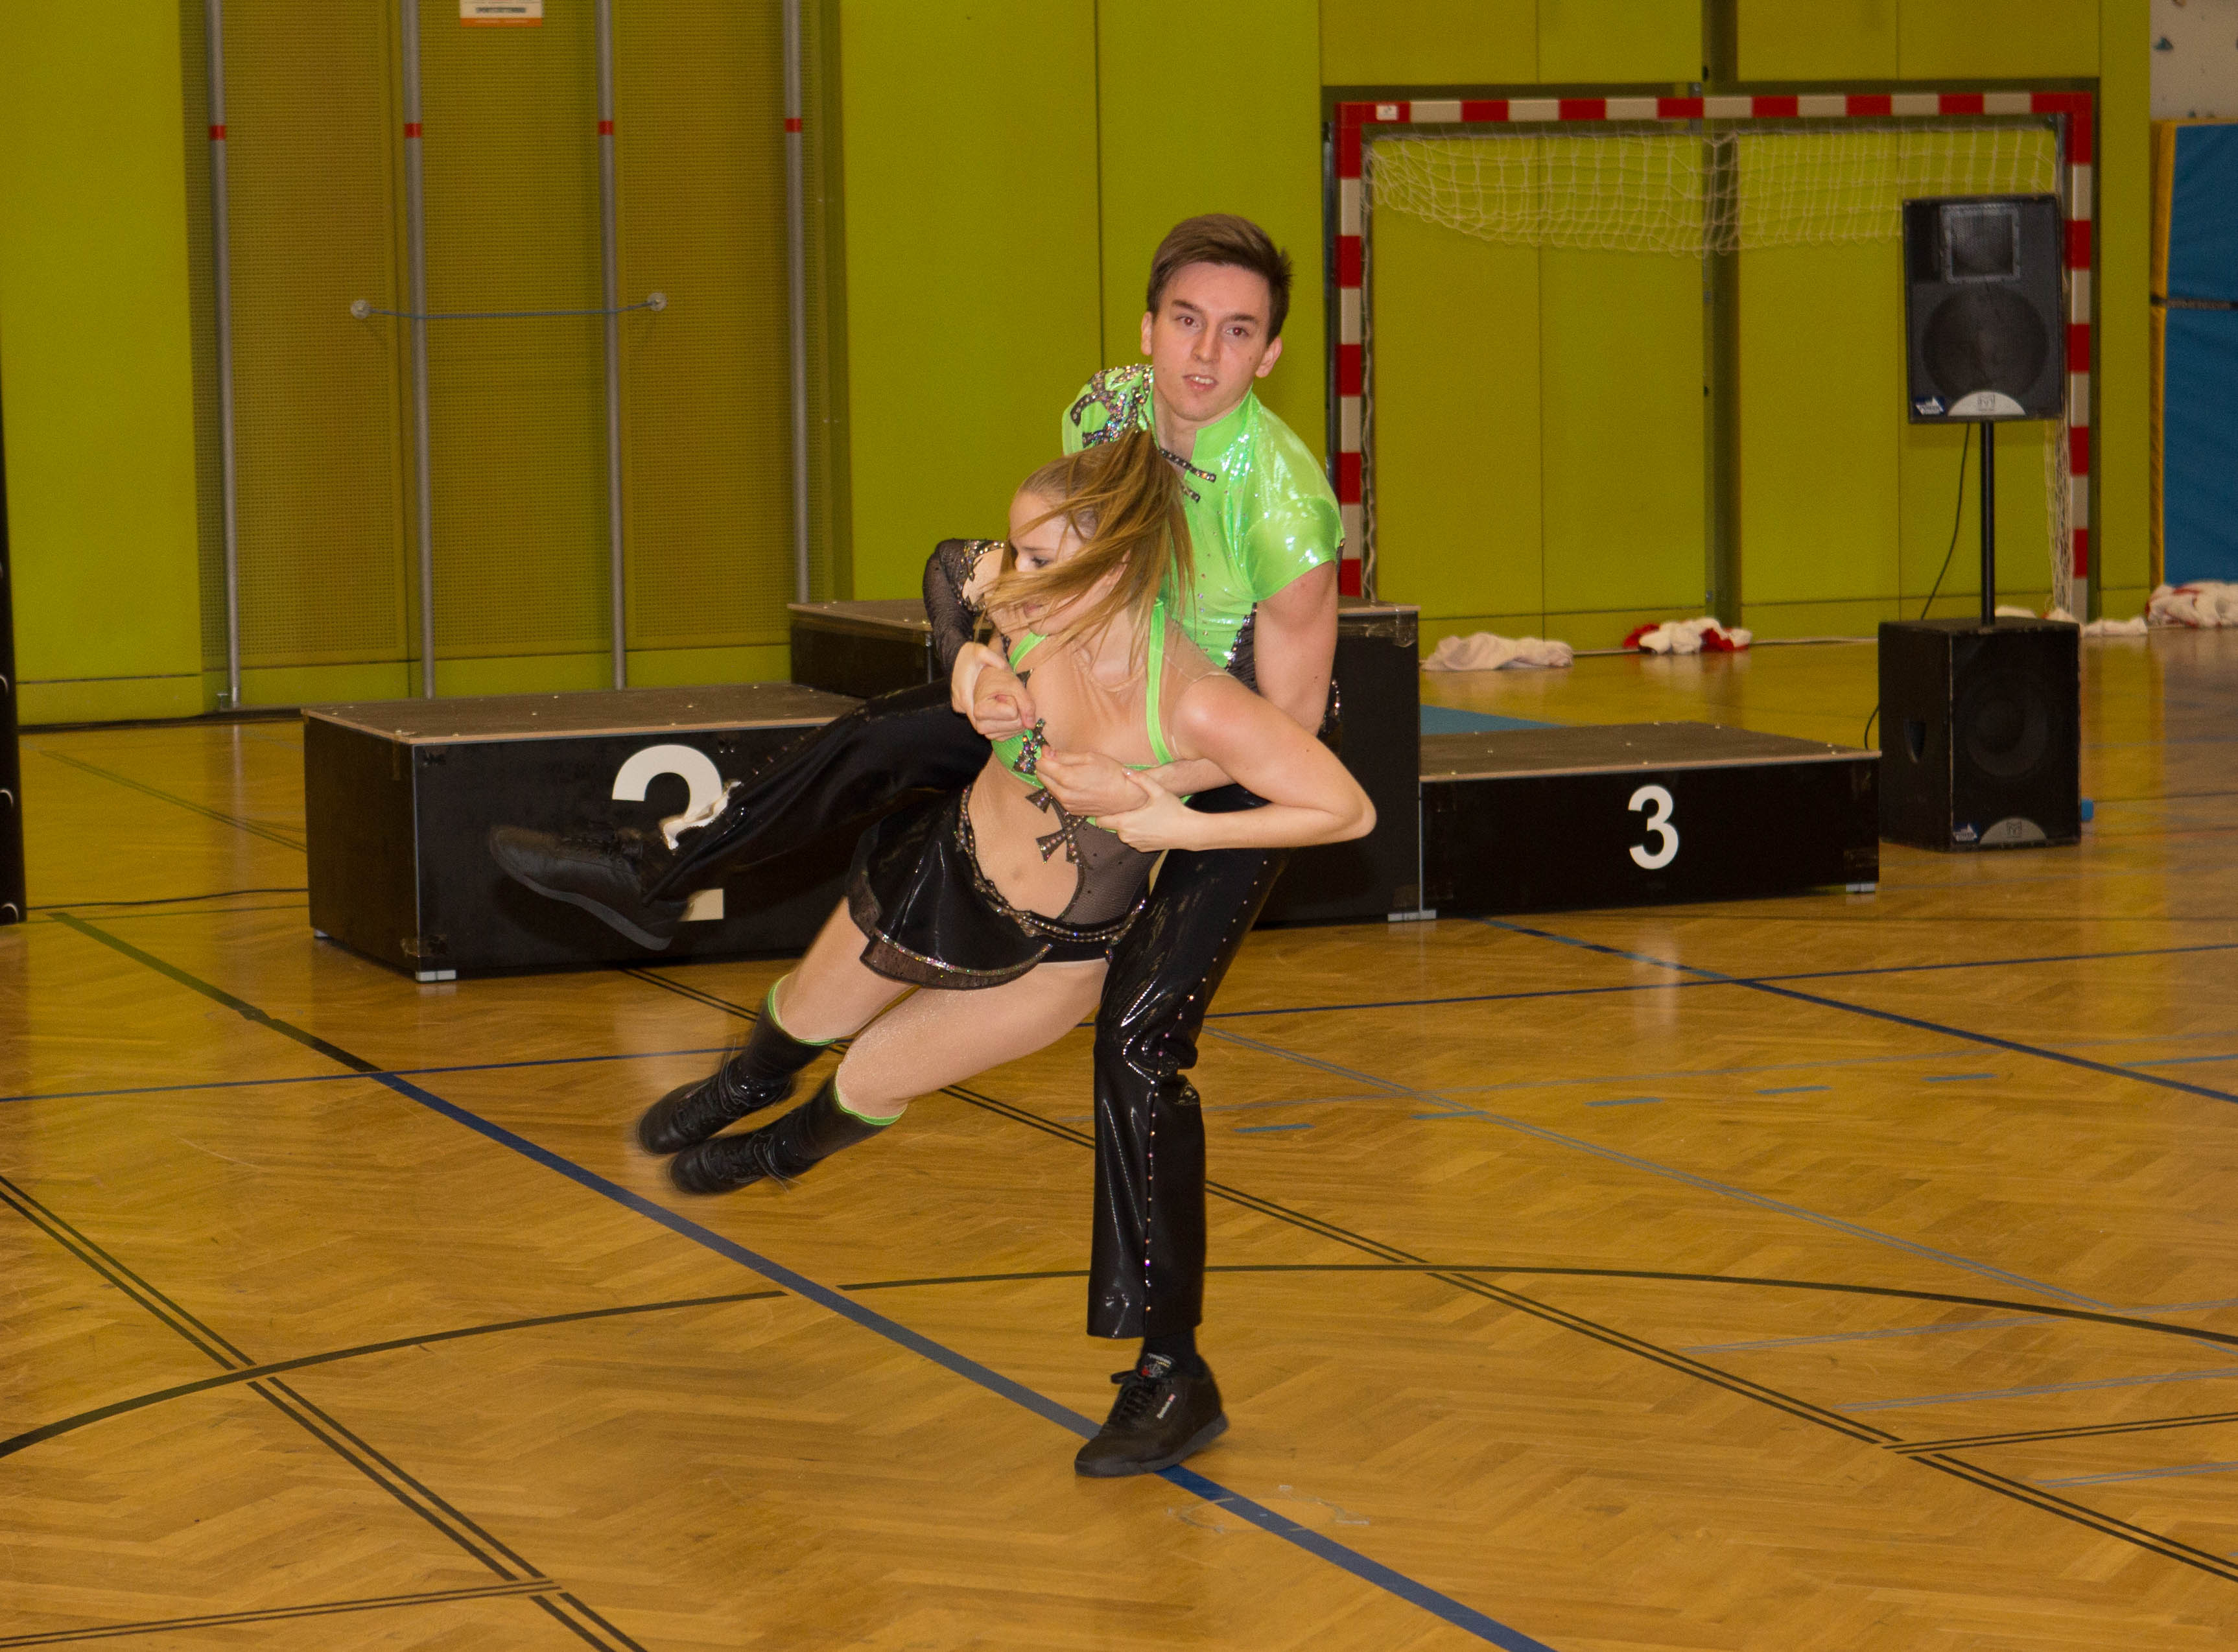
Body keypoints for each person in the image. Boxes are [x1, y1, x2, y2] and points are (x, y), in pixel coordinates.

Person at [488, 214, 1344, 1475]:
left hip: (1216, 759)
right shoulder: (1108, 405)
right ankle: (651, 878)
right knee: (888, 730)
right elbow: (1040, 567)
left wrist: (1146, 791)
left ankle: (1172, 1370)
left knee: (1138, 1043)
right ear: (1148, 326)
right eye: (1185, 322)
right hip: (1089, 689)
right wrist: (983, 664)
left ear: (1269, 353)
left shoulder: (1287, 507)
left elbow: (1295, 723)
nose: (1203, 356)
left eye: (1236, 332)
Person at [650, 432, 1368, 1471]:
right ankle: (743, 1083)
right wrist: (968, 656)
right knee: (806, 1008)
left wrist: (1175, 819)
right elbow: (954, 569)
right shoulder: (1033, 615)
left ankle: (778, 1153)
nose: (1011, 578)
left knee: (871, 1076)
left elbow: (1343, 807)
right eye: (1018, 551)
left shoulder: (1192, 697)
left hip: (1056, 953)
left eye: (1037, 561)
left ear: (1110, 571)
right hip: (944, 870)